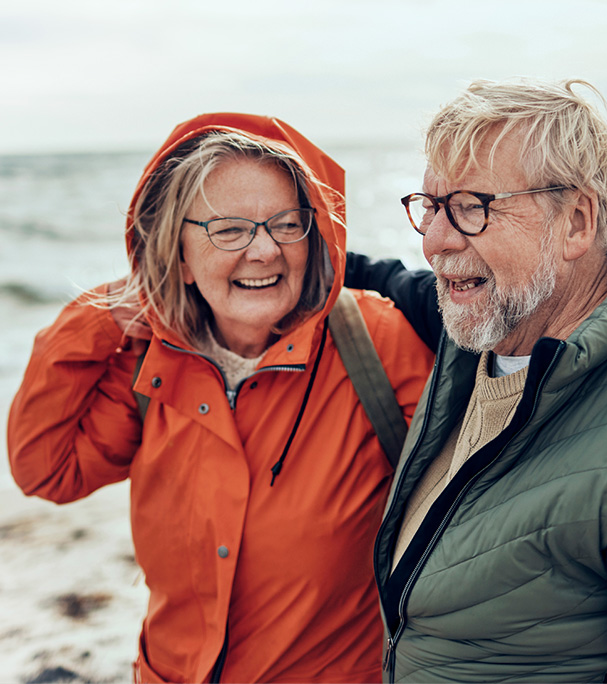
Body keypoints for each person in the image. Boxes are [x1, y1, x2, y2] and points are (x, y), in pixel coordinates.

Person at [345, 79, 607, 682]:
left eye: (472, 207)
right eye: (431, 207)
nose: (436, 241)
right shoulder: (481, 325)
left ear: (576, 222)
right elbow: (392, 280)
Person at [7, 113, 434, 683]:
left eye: (287, 225)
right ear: (179, 254)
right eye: (229, 230)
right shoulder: (148, 364)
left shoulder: (375, 344)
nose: (263, 252)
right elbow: (47, 470)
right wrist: (106, 312)